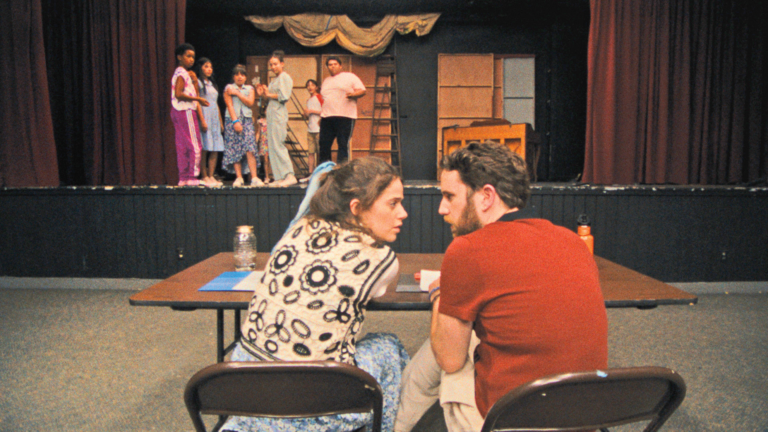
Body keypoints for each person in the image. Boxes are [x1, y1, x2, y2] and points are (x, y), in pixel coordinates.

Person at [395, 142, 608, 432]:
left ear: (486, 196)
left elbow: (450, 359)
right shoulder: (572, 241)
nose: (441, 208)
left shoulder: (467, 249)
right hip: (583, 417)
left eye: (449, 196)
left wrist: (439, 291)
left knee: (433, 361)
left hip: (511, 419)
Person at [220, 157, 410, 432]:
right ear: (356, 208)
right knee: (389, 347)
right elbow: (376, 290)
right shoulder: (380, 260)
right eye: (393, 203)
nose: (403, 213)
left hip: (246, 395)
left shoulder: (301, 227)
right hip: (315, 405)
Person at [170, 43, 209, 186]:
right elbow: (179, 94)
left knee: (183, 146)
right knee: (195, 145)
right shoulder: (181, 73)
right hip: (185, 111)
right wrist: (197, 99)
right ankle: (192, 176)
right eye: (188, 56)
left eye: (193, 57)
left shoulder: (183, 73)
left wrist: (193, 82)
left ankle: (184, 177)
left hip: (177, 111)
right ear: (179, 57)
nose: (191, 60)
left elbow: (190, 92)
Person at [257, 50, 296, 187]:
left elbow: (284, 96)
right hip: (272, 114)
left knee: (278, 143)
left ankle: (289, 175)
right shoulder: (274, 80)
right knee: (272, 145)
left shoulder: (285, 77)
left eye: (275, 64)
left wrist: (269, 94)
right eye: (271, 64)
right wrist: (263, 94)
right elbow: (270, 98)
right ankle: (279, 176)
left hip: (279, 114)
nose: (273, 67)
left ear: (282, 64)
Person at [318, 56, 366, 164]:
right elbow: (325, 99)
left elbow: (362, 90)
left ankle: (343, 170)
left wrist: (353, 94)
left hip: (345, 116)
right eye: (330, 64)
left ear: (340, 66)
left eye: (335, 64)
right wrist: (321, 116)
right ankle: (326, 170)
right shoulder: (326, 81)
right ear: (327, 67)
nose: (333, 66)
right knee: (323, 143)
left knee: (343, 143)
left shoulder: (349, 76)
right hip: (327, 117)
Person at [222, 64, 260, 187]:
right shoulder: (228, 87)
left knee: (250, 148)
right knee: (235, 147)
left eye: (242, 75)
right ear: (233, 76)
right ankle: (239, 177)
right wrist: (235, 121)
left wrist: (238, 93)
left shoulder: (250, 88)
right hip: (233, 120)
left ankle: (254, 177)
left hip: (247, 120)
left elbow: (250, 102)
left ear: (245, 77)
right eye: (237, 74)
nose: (240, 77)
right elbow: (229, 105)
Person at [193, 57, 224, 187]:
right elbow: (197, 102)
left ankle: (211, 175)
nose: (209, 69)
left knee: (215, 147)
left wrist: (220, 121)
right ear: (200, 67)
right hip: (205, 116)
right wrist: (202, 120)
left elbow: (215, 103)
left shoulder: (212, 84)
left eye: (210, 66)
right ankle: (204, 175)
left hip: (214, 117)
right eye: (206, 66)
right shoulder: (198, 83)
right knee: (205, 146)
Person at [304, 79, 323, 174]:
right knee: (311, 153)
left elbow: (325, 111)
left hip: (319, 129)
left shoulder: (320, 97)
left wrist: (312, 111)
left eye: (312, 85)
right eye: (308, 85)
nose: (310, 87)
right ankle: (310, 173)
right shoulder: (308, 100)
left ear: (316, 87)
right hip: (310, 129)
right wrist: (306, 114)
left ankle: (320, 173)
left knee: (320, 152)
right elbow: (308, 116)